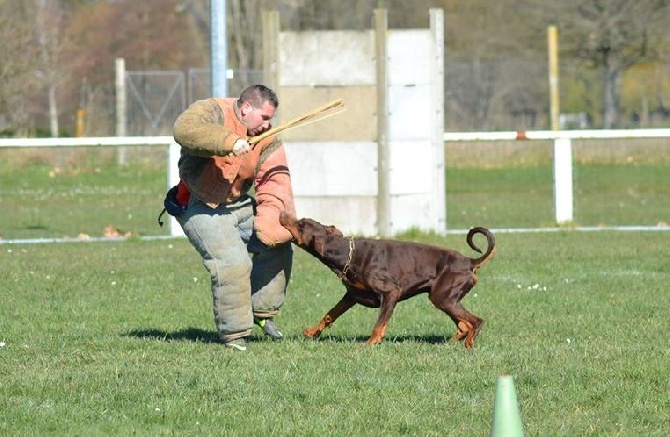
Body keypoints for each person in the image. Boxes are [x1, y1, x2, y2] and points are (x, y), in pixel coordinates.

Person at [171, 84, 296, 352]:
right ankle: (235, 334)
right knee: (233, 263)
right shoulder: (213, 110)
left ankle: (263, 313)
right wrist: (230, 142)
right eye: (264, 118)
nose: (267, 125)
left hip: (238, 205)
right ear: (246, 108)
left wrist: (272, 222)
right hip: (199, 204)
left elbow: (276, 181)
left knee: (278, 242)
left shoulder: (268, 137)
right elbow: (185, 129)